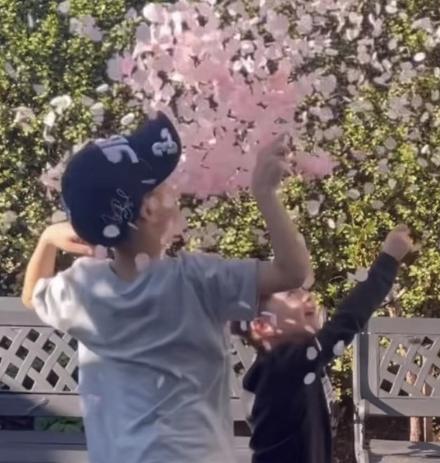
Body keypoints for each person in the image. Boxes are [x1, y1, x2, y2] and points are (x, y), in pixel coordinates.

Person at [20, 112, 311, 463]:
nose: (174, 188)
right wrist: (265, 194)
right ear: (148, 209)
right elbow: (293, 272)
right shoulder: (200, 280)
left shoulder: (84, 288)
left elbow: (32, 293)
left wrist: (48, 240)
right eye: (163, 184)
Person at [234, 225, 415, 463]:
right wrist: (389, 259)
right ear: (264, 327)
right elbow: (350, 317)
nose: (304, 296)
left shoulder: (285, 364)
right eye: (290, 295)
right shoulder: (287, 365)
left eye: (303, 291)